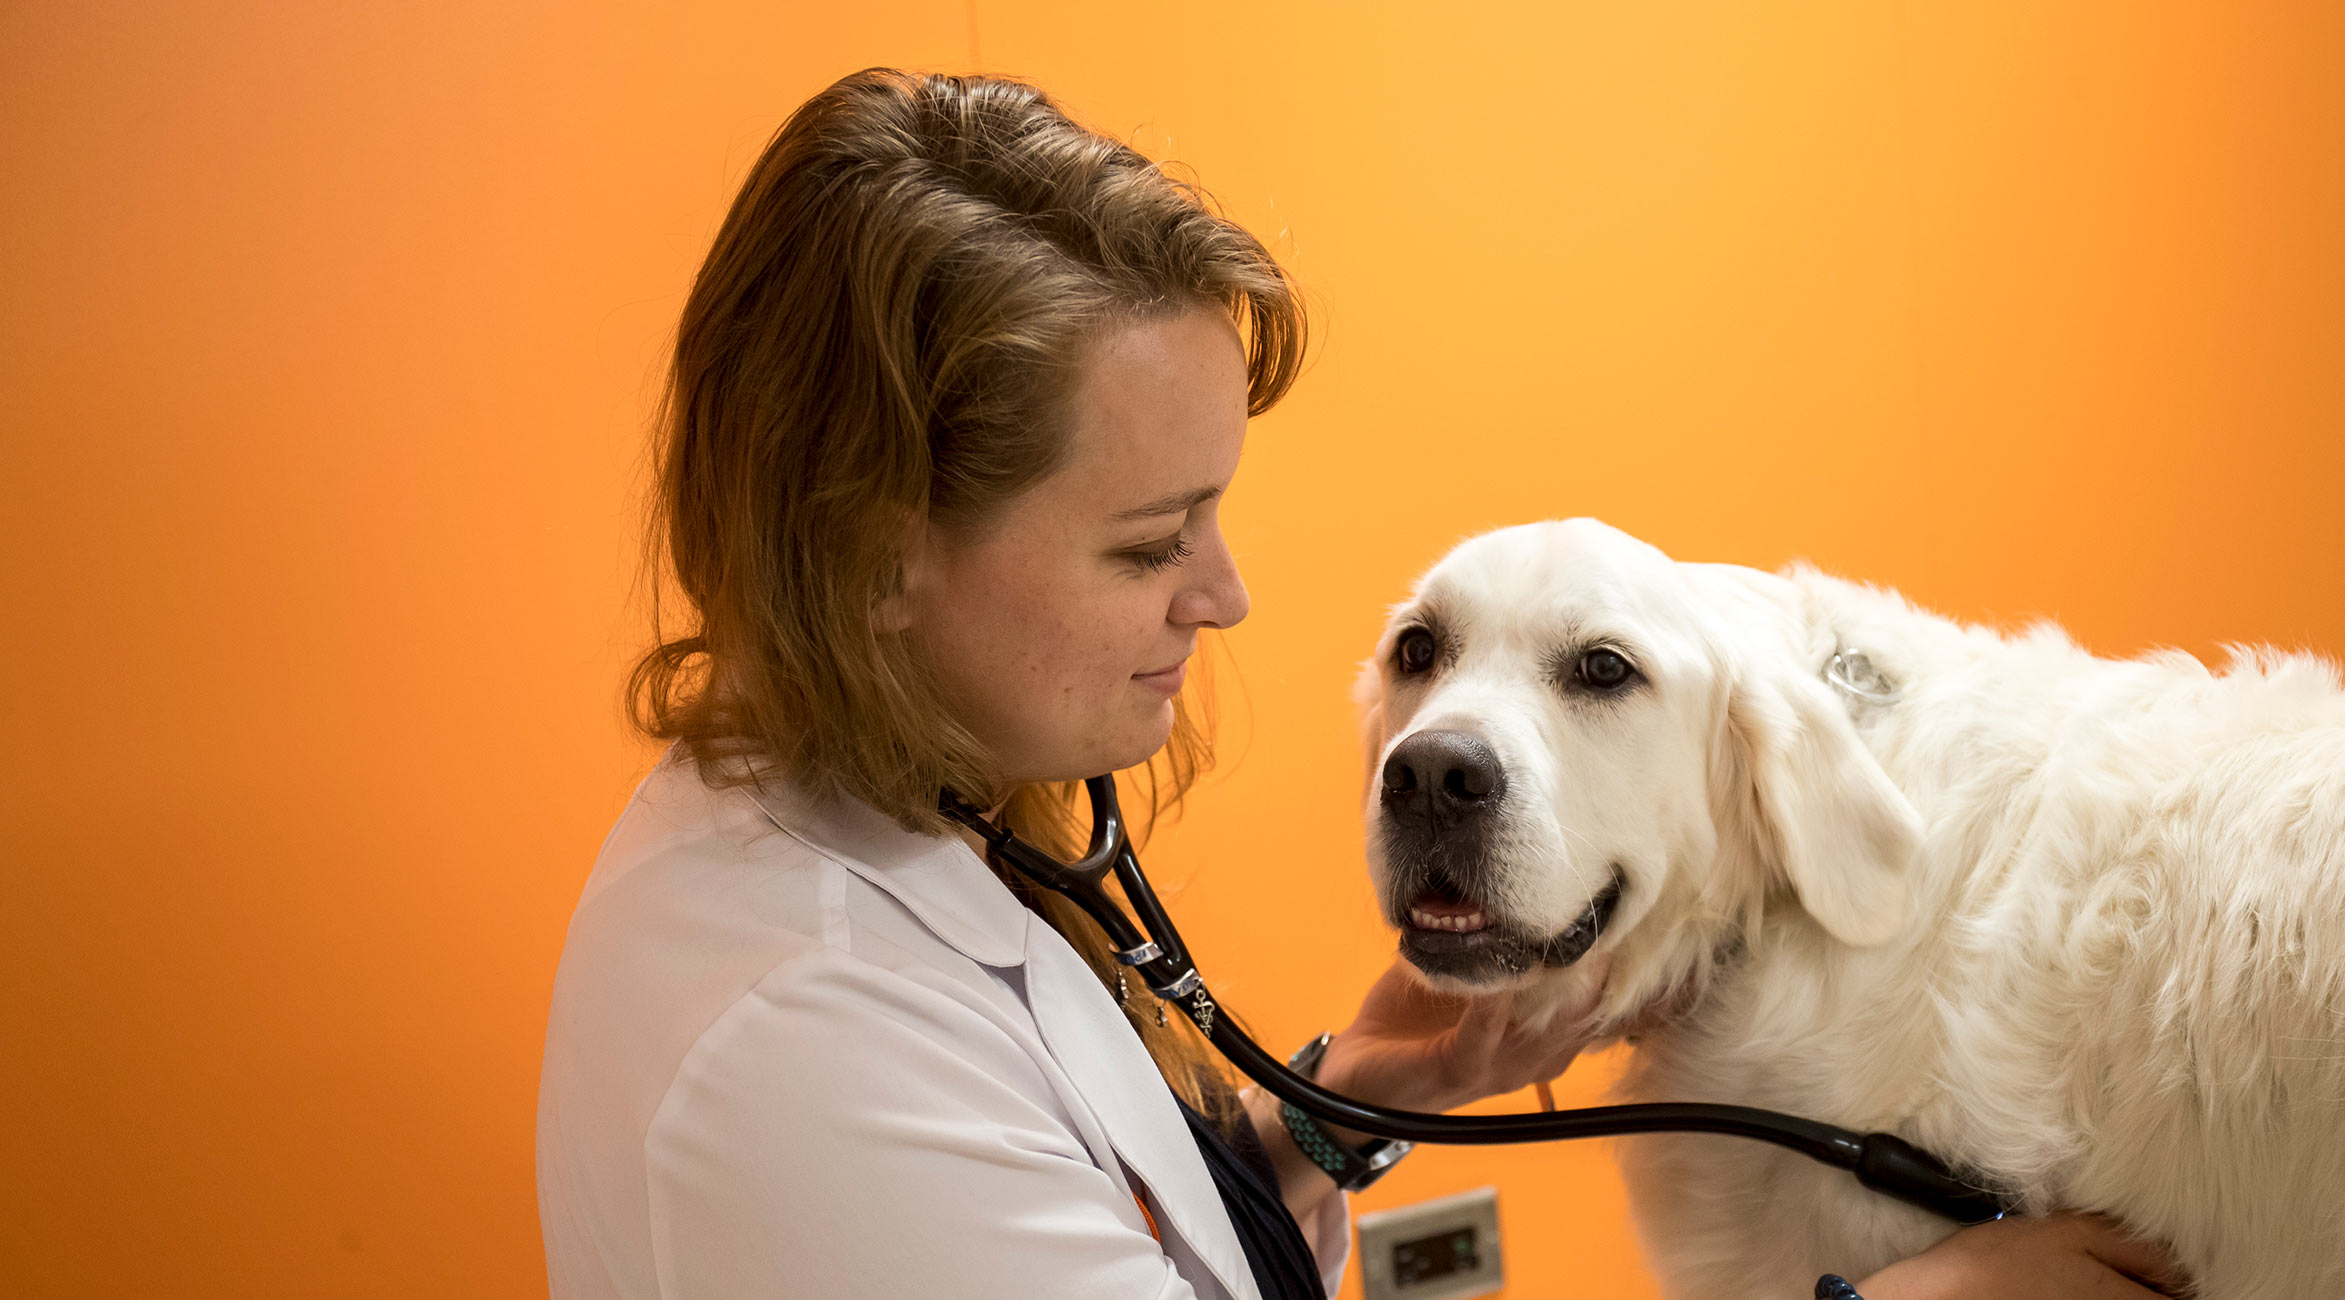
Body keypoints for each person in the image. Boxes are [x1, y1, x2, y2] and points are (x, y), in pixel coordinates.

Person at [534, 67, 2182, 1299]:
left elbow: (1142, 1243)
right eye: (1147, 542)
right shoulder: (808, 1048)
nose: (1226, 596)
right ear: (874, 552)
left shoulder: (922, 839)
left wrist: (1339, 1112)